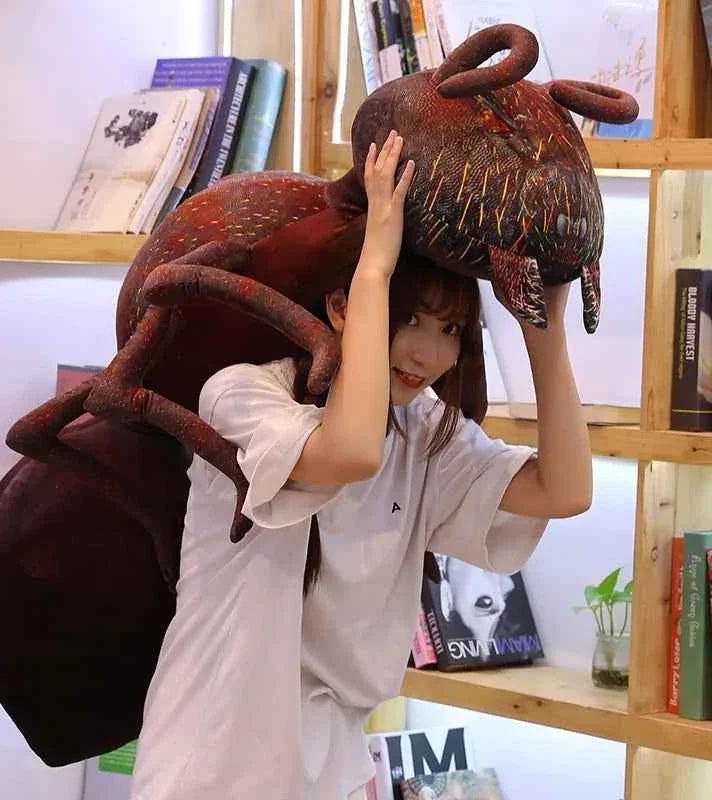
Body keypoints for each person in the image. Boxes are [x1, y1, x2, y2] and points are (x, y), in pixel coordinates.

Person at [129, 130, 592, 800]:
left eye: (452, 329)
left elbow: (565, 489)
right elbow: (348, 452)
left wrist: (544, 333)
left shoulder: (423, 428)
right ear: (342, 305)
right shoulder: (245, 394)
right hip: (213, 761)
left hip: (334, 768)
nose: (430, 354)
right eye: (410, 320)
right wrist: (375, 263)